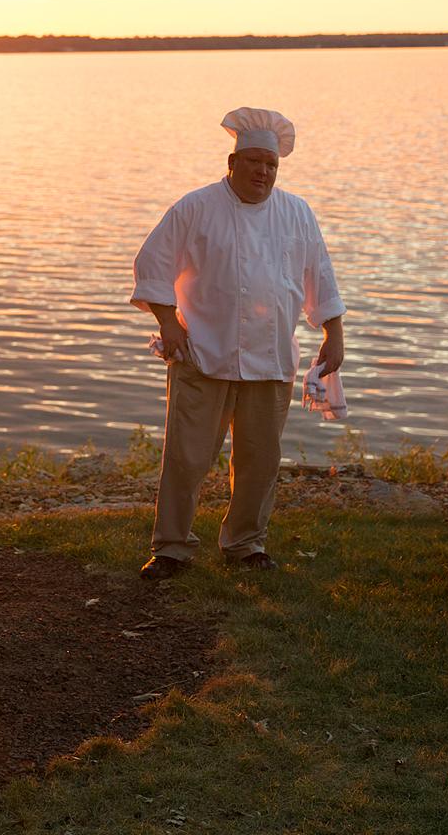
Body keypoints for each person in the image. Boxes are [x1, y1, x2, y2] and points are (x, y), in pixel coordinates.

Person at [130, 107, 346, 579]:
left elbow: (320, 274)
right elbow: (152, 263)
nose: (263, 173)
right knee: (186, 459)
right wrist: (168, 322)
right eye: (253, 163)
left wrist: (334, 331)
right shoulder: (196, 207)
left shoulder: (296, 212)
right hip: (204, 353)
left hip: (270, 360)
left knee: (260, 461)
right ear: (232, 163)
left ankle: (246, 544)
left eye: (270, 165)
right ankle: (171, 549)